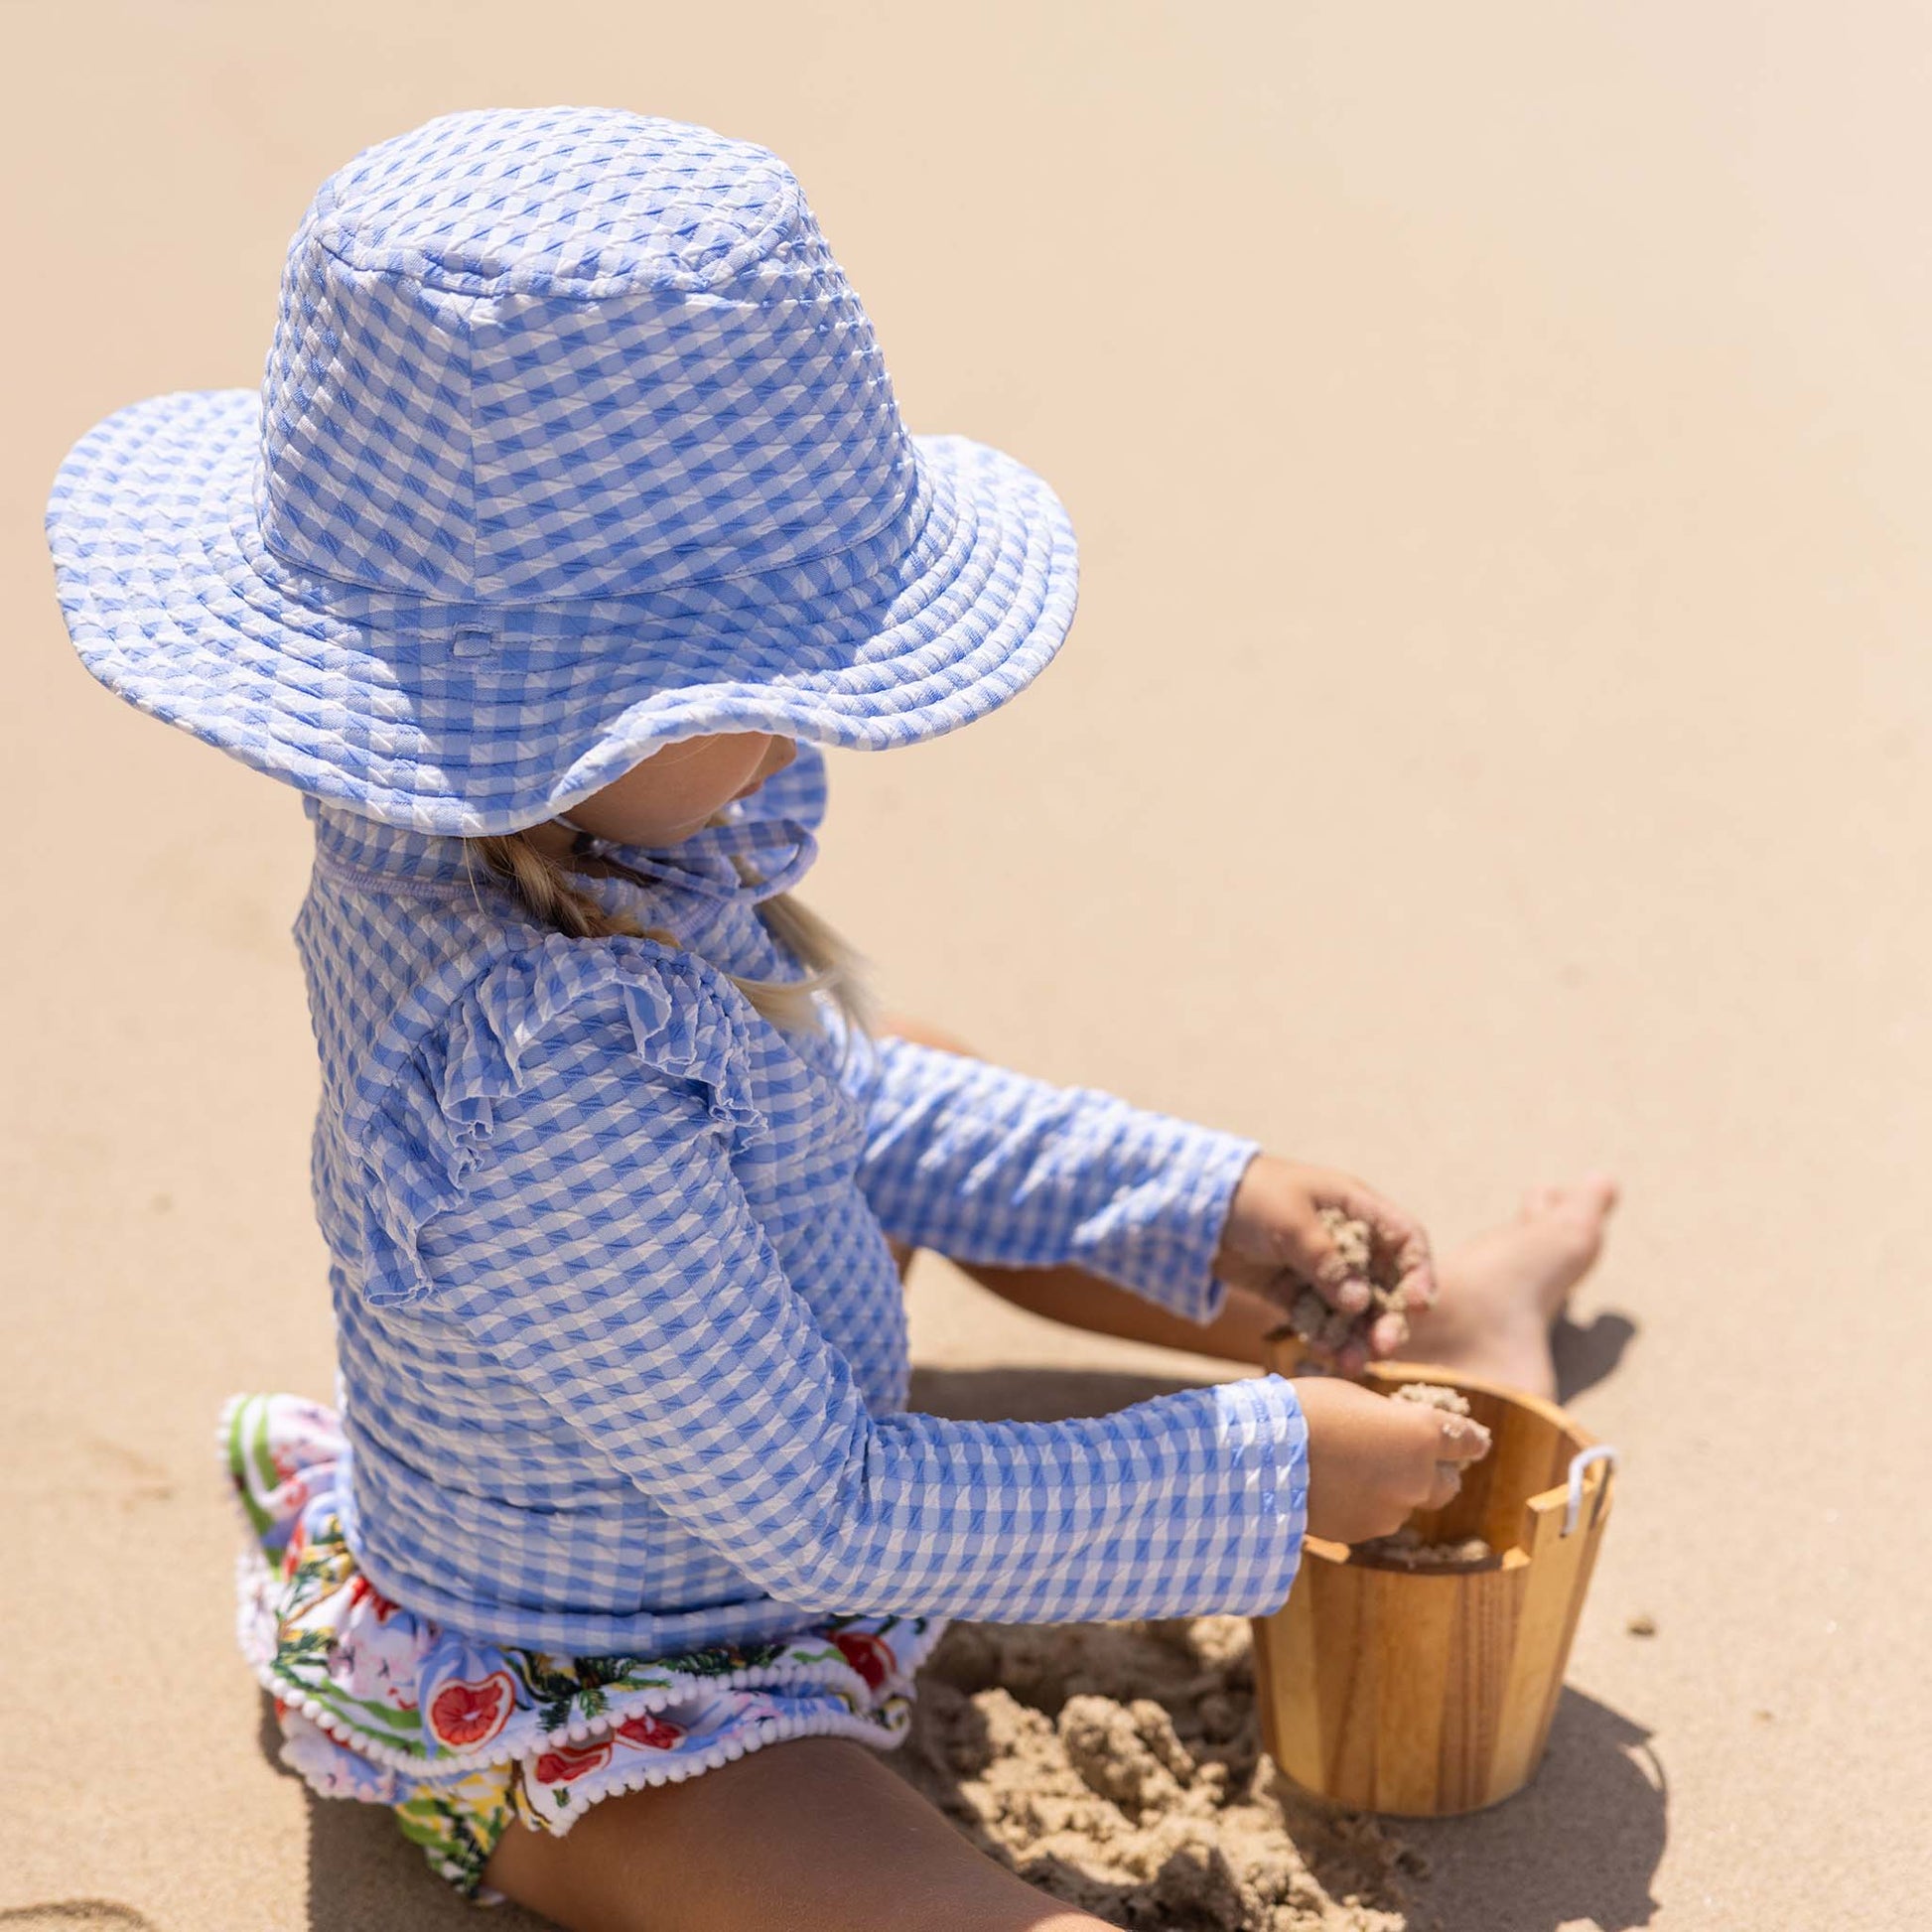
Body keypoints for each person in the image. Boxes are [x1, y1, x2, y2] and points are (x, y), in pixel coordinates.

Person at [46, 107, 1614, 1930]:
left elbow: (849, 1098)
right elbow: (822, 1515)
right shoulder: (537, 1091)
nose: (811, 732)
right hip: (608, 1671)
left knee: (909, 1079)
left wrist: (1205, 1194)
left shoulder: (522, 821)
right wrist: (1263, 1480)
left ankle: (1438, 1332)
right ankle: (1359, 1403)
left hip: (697, 1437)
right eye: (780, 679)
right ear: (585, 715)